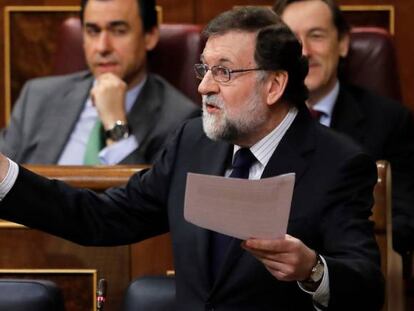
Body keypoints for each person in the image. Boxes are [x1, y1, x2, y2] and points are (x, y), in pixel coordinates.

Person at [0, 7, 383, 310]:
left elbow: (367, 286)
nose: (203, 86)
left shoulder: (340, 164)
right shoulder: (193, 142)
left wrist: (312, 269)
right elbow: (103, 218)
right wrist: (6, 177)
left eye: (224, 72)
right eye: (204, 68)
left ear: (274, 85)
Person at [273, 0, 414, 254]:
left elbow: (402, 222)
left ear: (343, 43)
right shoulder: (254, 121)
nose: (304, 51)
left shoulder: (391, 122)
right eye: (291, 39)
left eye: (316, 36)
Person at [0, 0, 199, 165]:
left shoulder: (180, 119)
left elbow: (145, 206)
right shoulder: (37, 96)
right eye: (93, 31)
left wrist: (115, 123)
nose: (102, 47)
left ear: (150, 36)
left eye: (119, 31)